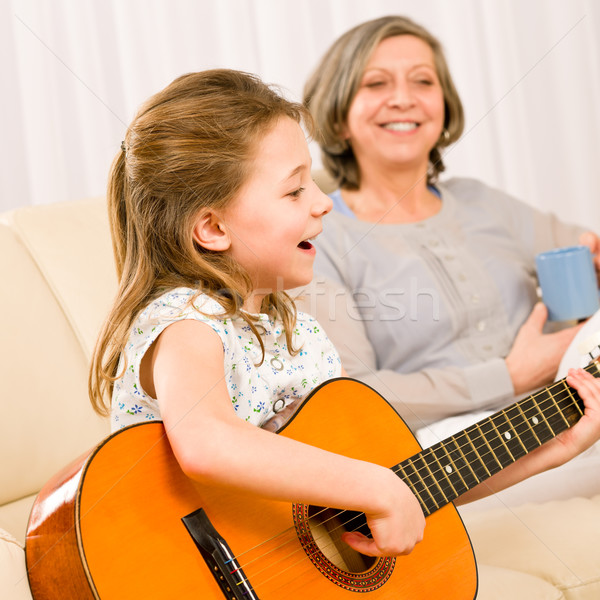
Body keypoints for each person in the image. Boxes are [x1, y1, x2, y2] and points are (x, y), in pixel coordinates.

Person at [88, 69, 600, 562]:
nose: (322, 203)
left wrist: (556, 448)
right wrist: (376, 487)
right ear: (213, 228)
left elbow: (397, 486)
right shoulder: (186, 323)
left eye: (313, 184)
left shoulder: (298, 332)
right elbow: (207, 443)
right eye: (294, 191)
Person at [300, 15, 600, 435]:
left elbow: (585, 257)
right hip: (454, 456)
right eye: (376, 83)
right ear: (337, 116)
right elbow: (353, 394)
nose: (404, 99)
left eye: (423, 81)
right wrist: (510, 376)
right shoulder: (318, 239)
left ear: (444, 106)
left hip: (576, 415)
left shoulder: (481, 201)